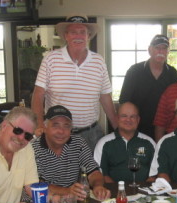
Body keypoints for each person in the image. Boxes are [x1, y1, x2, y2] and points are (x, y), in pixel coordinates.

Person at [31, 14, 118, 151]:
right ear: (66, 36)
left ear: (88, 36)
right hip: (57, 134)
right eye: (73, 32)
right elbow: (38, 94)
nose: (78, 36)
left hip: (91, 134)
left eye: (82, 32)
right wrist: (39, 124)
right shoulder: (50, 59)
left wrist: (117, 127)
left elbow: (105, 96)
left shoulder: (99, 61)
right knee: (58, 173)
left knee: (93, 172)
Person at [29, 105, 110, 203]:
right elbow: (36, 184)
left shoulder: (78, 143)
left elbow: (93, 171)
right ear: (45, 127)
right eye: (55, 125)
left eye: (66, 126)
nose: (61, 131)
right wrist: (67, 191)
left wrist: (98, 186)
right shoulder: (33, 148)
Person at [119, 34, 177, 139]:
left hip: (164, 130)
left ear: (168, 51)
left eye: (164, 48)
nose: (160, 51)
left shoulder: (173, 74)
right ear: (149, 50)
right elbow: (124, 101)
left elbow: (174, 102)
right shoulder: (134, 71)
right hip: (137, 128)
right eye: (157, 48)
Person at [94, 102, 156, 184]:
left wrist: (142, 190)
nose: (128, 120)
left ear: (138, 120)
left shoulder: (149, 143)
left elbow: (154, 175)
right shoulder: (103, 143)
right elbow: (100, 175)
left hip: (143, 192)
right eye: (124, 116)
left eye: (132, 117)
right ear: (117, 118)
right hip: (113, 193)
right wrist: (119, 190)